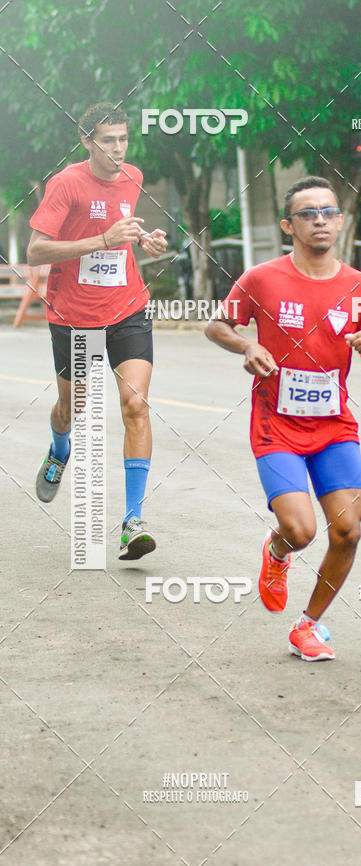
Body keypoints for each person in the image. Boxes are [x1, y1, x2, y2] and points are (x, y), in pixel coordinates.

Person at [206, 176, 361, 661]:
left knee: (348, 531)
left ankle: (308, 626)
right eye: (308, 213)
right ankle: (278, 550)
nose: (320, 221)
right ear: (289, 226)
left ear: (340, 220)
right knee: (303, 531)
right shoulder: (262, 278)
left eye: (328, 212)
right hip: (277, 426)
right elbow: (216, 325)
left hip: (334, 426)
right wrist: (247, 345)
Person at [28, 102, 168, 560]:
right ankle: (59, 449)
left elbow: (116, 228)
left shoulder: (133, 176)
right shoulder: (66, 183)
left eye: (123, 139)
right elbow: (36, 251)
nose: (117, 149)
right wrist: (104, 240)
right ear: (86, 141)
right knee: (73, 409)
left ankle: (132, 522)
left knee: (135, 405)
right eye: (107, 141)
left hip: (127, 309)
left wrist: (141, 240)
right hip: (73, 316)